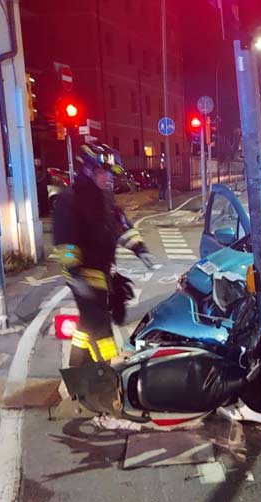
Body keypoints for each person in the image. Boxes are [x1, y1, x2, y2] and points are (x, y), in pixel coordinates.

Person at [53, 145, 156, 368]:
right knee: (100, 326)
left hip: (101, 273)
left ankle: (77, 366)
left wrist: (141, 249)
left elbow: (123, 227)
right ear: (89, 171)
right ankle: (106, 369)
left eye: (110, 173)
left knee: (88, 322)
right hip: (81, 274)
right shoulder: (69, 200)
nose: (109, 177)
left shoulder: (105, 199)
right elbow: (64, 243)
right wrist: (75, 275)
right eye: (104, 172)